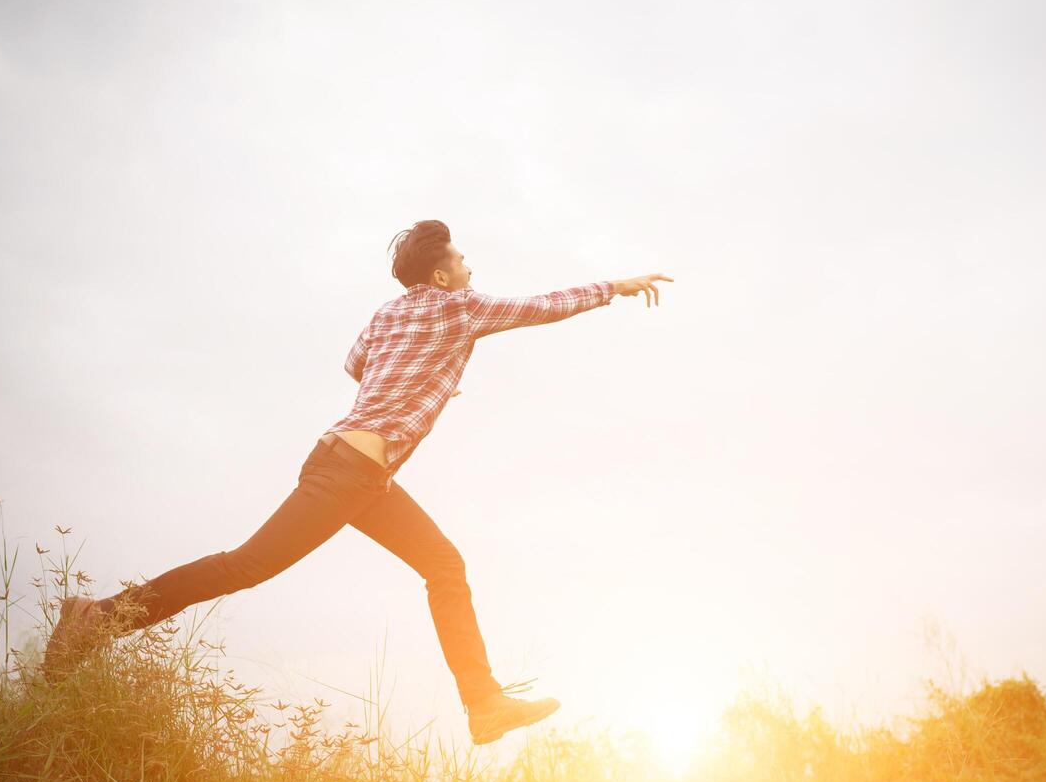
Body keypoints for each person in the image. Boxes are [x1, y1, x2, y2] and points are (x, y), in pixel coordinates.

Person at [45, 219, 673, 745]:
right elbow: (542, 308)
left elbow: (356, 366)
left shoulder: (386, 314)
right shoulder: (460, 307)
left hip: (357, 470)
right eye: (461, 258)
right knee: (246, 566)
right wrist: (614, 286)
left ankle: (484, 706)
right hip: (349, 473)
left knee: (444, 564)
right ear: (441, 276)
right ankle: (96, 619)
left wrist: (407, 383)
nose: (469, 265)